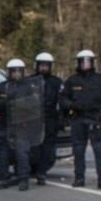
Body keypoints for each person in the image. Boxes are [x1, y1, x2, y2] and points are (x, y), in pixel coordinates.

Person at [59, 49, 101, 189]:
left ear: (93, 63)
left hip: (95, 118)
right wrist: (72, 105)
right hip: (78, 119)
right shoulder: (72, 80)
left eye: (88, 62)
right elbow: (62, 99)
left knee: (99, 150)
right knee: (79, 150)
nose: (85, 65)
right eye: (82, 62)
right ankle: (79, 178)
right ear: (78, 63)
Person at [0, 59, 33, 191]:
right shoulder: (2, 86)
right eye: (13, 71)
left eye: (19, 71)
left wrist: (18, 103)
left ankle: (23, 179)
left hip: (21, 124)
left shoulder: (28, 87)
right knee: (3, 153)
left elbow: (33, 105)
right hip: (5, 124)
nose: (16, 74)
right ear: (9, 72)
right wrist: (7, 101)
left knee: (21, 153)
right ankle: (4, 178)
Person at [32, 52, 64, 185]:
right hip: (33, 119)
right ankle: (25, 170)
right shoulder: (29, 81)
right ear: (36, 66)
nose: (44, 68)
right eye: (41, 66)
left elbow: (63, 100)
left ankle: (42, 173)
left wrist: (61, 118)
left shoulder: (56, 82)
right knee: (32, 146)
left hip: (50, 118)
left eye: (46, 66)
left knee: (47, 147)